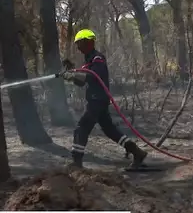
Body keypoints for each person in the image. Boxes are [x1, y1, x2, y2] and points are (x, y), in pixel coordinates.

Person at [60, 29, 149, 169]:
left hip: (97, 101)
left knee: (81, 128)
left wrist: (74, 75)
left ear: (89, 42)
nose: (78, 47)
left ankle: (76, 163)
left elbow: (94, 75)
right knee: (109, 130)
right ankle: (137, 152)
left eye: (80, 43)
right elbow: (82, 81)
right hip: (98, 100)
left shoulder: (97, 58)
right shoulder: (89, 61)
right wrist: (71, 74)